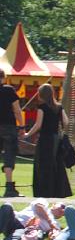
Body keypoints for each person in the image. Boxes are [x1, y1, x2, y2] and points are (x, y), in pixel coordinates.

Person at [23, 83, 72, 199]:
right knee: (56, 164)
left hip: (45, 139)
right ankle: (58, 191)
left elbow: (38, 124)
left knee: (43, 165)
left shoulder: (42, 107)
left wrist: (27, 134)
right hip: (56, 138)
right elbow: (66, 122)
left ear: (41, 95)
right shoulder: (59, 107)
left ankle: (44, 191)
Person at [0, 69, 24, 197]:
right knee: (9, 156)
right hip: (8, 126)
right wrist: (22, 126)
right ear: (3, 78)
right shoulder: (9, 90)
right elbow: (17, 110)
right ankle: (9, 188)